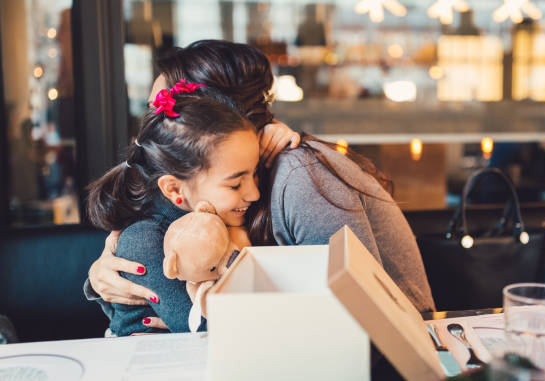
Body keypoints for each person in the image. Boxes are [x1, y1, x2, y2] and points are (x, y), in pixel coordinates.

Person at [86, 40, 435, 330]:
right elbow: (148, 234)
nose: (157, 125)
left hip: (396, 345)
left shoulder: (297, 173)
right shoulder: (210, 183)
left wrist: (204, 325)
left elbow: (361, 306)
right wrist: (102, 277)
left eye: (165, 111)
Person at [86, 87, 260, 335]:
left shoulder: (221, 215)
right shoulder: (143, 240)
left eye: (256, 174)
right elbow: (204, 327)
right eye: (235, 184)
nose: (255, 193)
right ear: (174, 189)